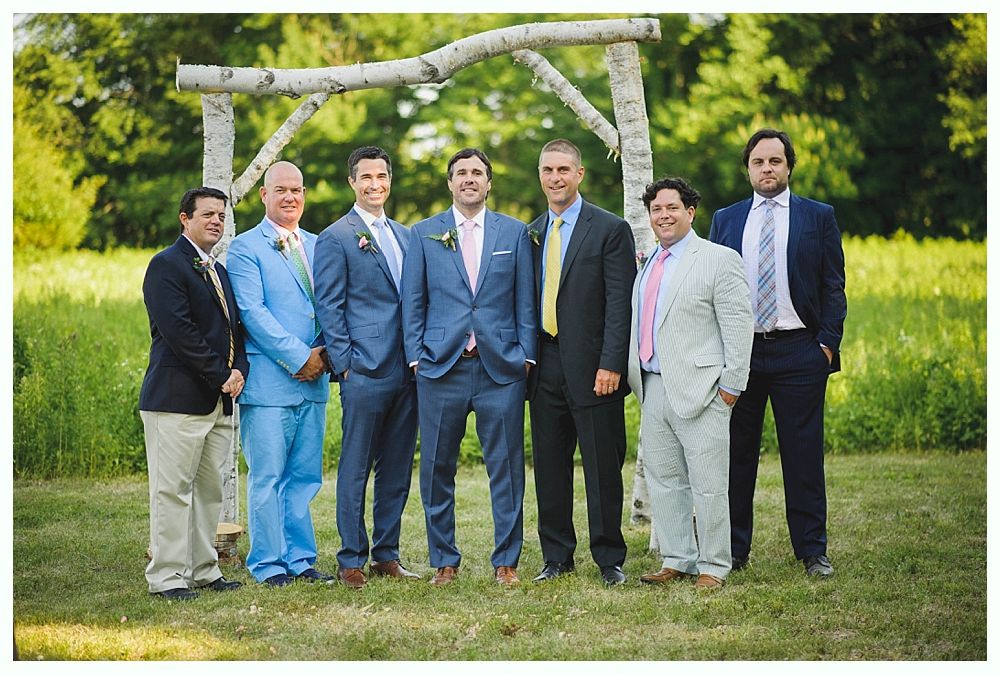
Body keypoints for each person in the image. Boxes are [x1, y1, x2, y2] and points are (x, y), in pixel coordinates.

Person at [709, 128, 847, 578]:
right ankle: (732, 551)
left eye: (775, 161)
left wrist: (826, 344)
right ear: (747, 168)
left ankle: (812, 552)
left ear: (789, 166)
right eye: (758, 162)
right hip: (741, 353)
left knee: (803, 455)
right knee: (736, 456)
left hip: (800, 352)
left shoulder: (818, 216)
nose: (766, 169)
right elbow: (711, 289)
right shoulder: (725, 220)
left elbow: (833, 284)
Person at [400, 148, 536, 587]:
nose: (469, 179)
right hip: (442, 369)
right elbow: (413, 301)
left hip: (501, 370)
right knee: (438, 467)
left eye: (477, 172)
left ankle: (506, 562)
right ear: (450, 183)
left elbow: (525, 302)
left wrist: (526, 356)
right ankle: (444, 559)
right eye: (461, 173)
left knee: (507, 468)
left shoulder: (514, 233)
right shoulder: (423, 234)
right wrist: (418, 357)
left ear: (489, 182)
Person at [626, 177, 753, 590]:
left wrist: (731, 385)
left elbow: (738, 324)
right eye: (656, 210)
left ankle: (714, 565)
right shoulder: (648, 262)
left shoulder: (717, 259)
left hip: (704, 390)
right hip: (653, 386)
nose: (663, 215)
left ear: (690, 212)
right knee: (664, 479)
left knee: (710, 483)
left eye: (672, 208)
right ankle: (677, 557)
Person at [527, 139, 636, 587]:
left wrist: (611, 363)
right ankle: (556, 557)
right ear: (541, 177)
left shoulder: (609, 229)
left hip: (596, 370)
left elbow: (620, 302)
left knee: (601, 466)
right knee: (550, 467)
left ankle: (609, 558)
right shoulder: (530, 232)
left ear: (580, 174)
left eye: (564, 170)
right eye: (548, 170)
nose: (556, 178)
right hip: (544, 367)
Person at [313, 146, 419, 589]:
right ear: (352, 183)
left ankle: (386, 555)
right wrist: (346, 366)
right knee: (356, 468)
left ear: (389, 180)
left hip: (408, 372)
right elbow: (329, 306)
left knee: (396, 467)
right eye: (366, 177)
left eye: (382, 176)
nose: (375, 184)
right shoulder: (336, 237)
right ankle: (351, 558)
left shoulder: (406, 235)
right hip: (364, 371)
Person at [227, 161, 333, 586]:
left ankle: (301, 559)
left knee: (305, 477)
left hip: (315, 382)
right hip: (272, 383)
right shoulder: (245, 248)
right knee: (268, 476)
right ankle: (269, 564)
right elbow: (253, 313)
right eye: (281, 190)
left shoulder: (318, 244)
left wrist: (324, 355)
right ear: (264, 196)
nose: (291, 197)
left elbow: (328, 304)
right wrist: (299, 357)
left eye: (297, 190)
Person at [138, 186, 248, 600]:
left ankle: (205, 569)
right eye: (207, 214)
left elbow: (235, 331)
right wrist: (220, 373)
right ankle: (167, 576)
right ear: (185, 218)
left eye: (221, 215)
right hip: (176, 401)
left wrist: (239, 371)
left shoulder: (217, 270)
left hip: (219, 401)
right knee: (172, 490)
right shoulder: (166, 266)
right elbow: (178, 331)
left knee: (209, 492)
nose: (216, 221)